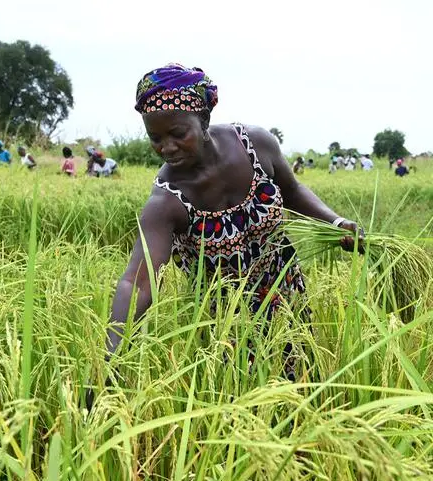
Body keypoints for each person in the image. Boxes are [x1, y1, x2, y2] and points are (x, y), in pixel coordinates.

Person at [104, 63, 362, 368]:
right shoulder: (166, 202)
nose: (167, 147)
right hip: (227, 321)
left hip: (286, 293)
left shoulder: (257, 145)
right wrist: (109, 354)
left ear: (204, 119)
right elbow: (138, 282)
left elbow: (292, 191)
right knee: (242, 395)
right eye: (155, 138)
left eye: (177, 133)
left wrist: (335, 222)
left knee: (303, 380)